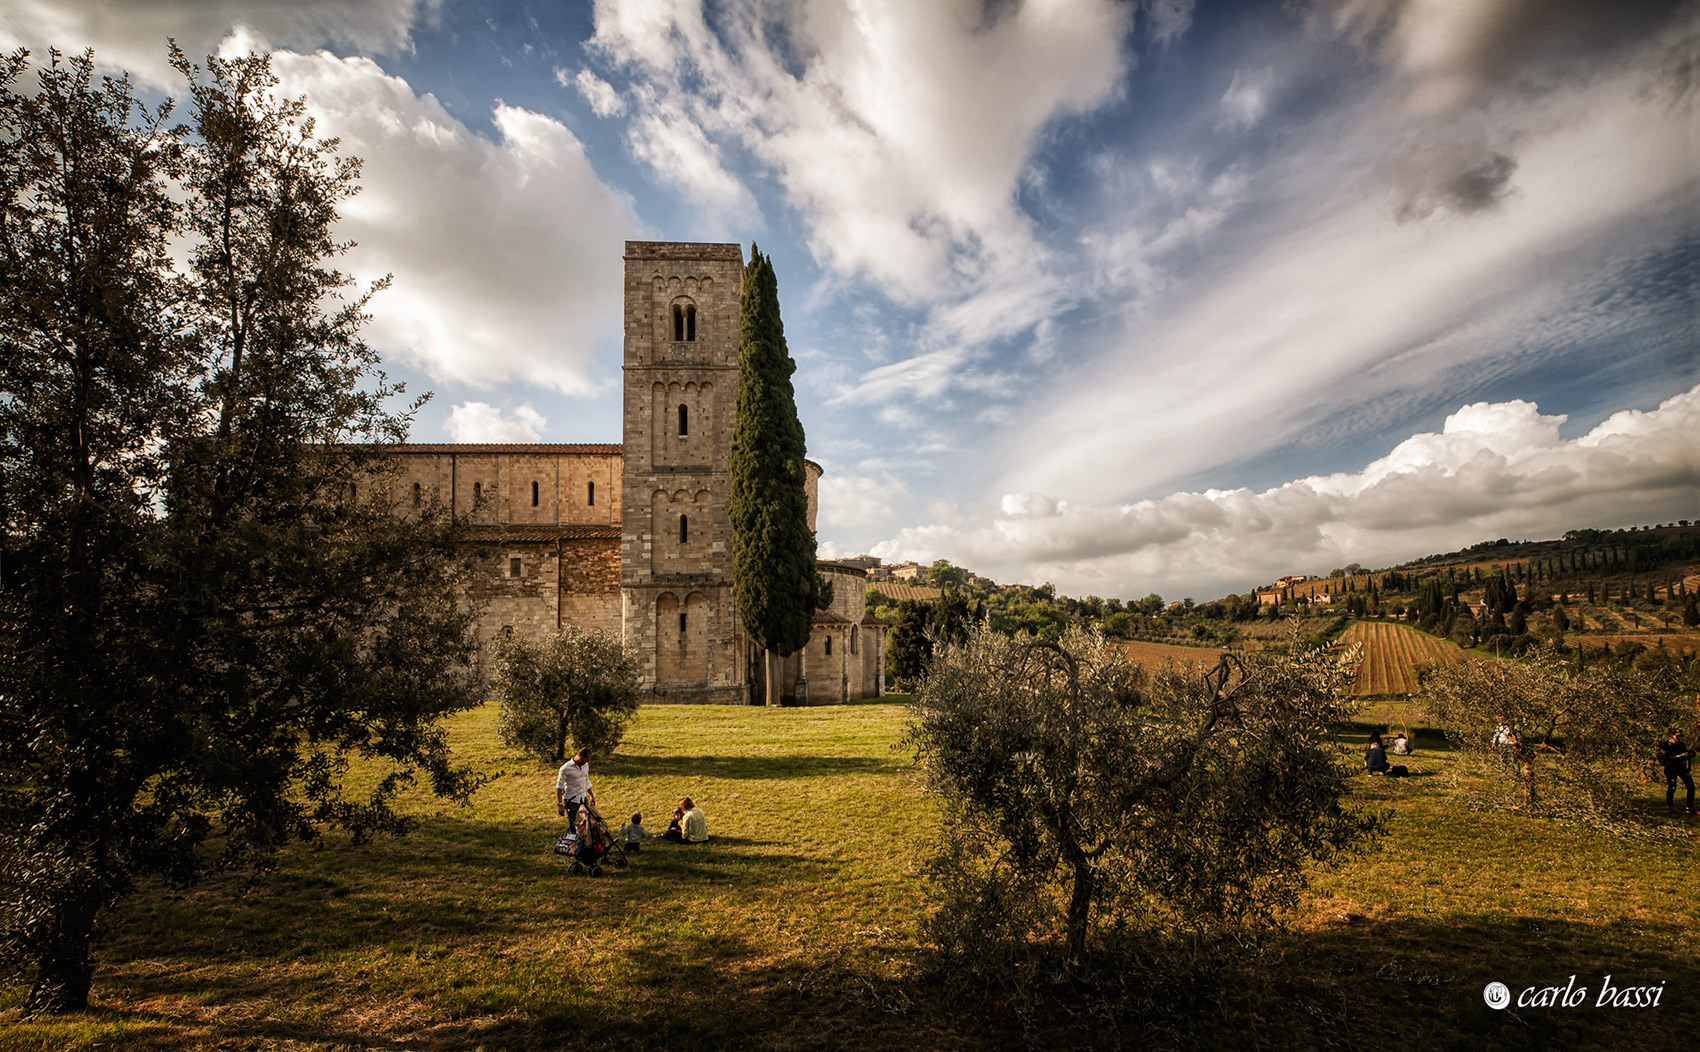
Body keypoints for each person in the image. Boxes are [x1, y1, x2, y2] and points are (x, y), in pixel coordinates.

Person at [556, 746, 594, 831]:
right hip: (572, 800)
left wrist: (591, 794)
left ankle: (583, 842)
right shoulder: (566, 768)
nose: (588, 761)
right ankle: (573, 842)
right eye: (587, 759)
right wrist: (560, 805)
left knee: (586, 823)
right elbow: (559, 787)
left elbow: (586, 780)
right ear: (580, 758)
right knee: (575, 824)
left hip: (583, 798)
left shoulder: (585, 765)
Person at [1659, 729, 1695, 815]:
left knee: (1691, 786)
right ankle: (1670, 806)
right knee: (1672, 787)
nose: (1680, 738)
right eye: (1678, 736)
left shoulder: (1681, 745)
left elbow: (1685, 755)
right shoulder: (1665, 745)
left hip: (1681, 767)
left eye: (1681, 736)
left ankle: (1690, 807)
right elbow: (1664, 758)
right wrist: (1679, 756)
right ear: (1671, 735)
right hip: (1670, 768)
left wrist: (1689, 755)